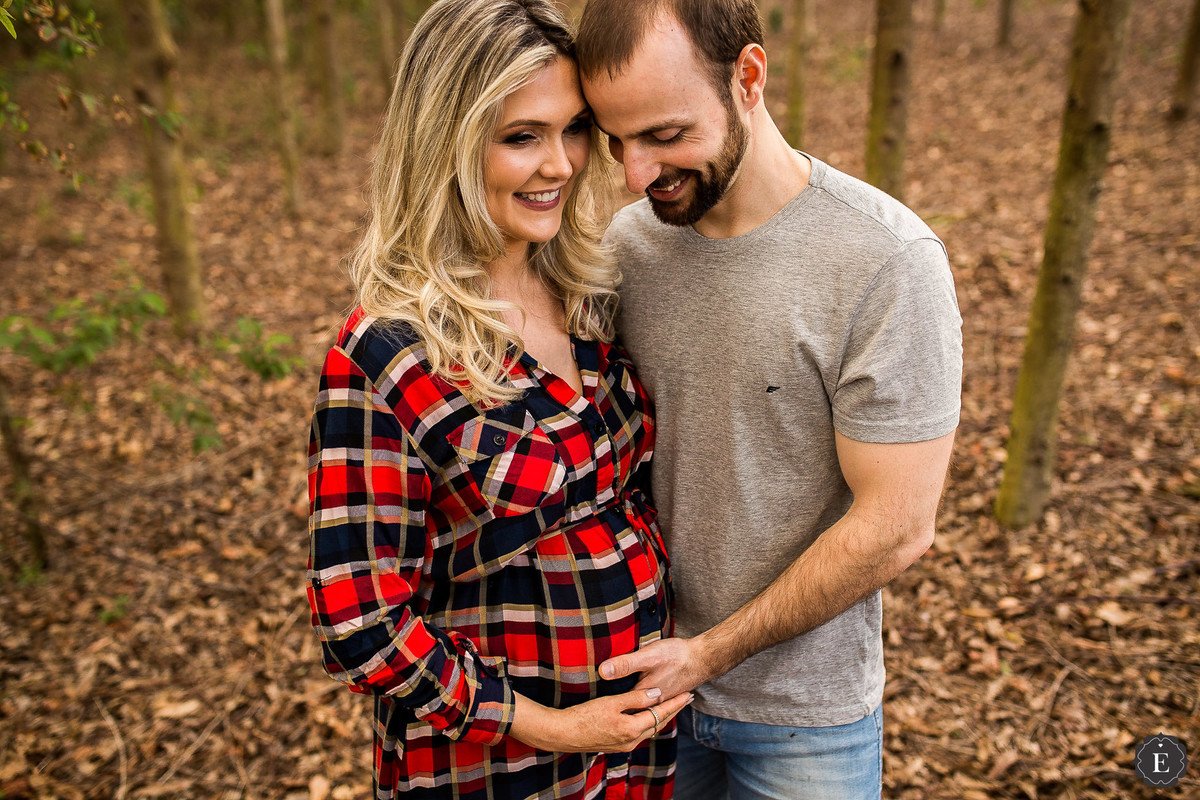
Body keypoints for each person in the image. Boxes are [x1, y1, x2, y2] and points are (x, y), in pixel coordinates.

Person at [575, 1, 963, 798]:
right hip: (637, 704)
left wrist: (709, 652)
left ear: (747, 78)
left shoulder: (885, 262)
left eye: (665, 134)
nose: (637, 173)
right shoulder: (622, 253)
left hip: (804, 723)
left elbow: (897, 526)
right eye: (617, 141)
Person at [305, 1, 691, 798]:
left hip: (640, 757)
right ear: (446, 143)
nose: (562, 163)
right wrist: (555, 725)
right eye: (522, 137)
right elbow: (360, 619)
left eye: (574, 128)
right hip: (498, 769)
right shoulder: (384, 352)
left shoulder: (588, 292)